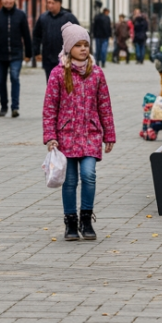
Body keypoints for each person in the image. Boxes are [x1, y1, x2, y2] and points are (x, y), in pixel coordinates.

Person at [43, 24, 116, 241]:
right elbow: (49, 107)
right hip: (65, 136)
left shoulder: (96, 73)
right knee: (70, 181)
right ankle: (71, 222)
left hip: (91, 134)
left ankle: (86, 219)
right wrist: (50, 136)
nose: (83, 49)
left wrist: (109, 134)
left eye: (86, 45)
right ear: (68, 48)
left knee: (89, 175)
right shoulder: (57, 74)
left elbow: (104, 104)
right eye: (78, 45)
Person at [33, 0, 79, 82]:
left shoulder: (68, 17)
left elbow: (78, 34)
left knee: (65, 81)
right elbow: (37, 35)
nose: (50, 5)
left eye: (52, 3)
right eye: (48, 3)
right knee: (51, 81)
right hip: (48, 56)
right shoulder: (43, 18)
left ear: (59, 4)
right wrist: (36, 52)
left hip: (65, 56)